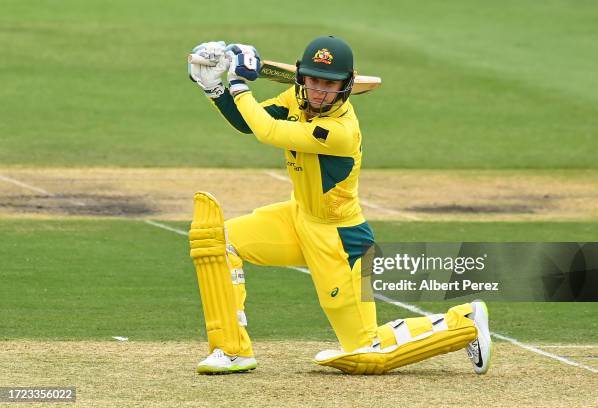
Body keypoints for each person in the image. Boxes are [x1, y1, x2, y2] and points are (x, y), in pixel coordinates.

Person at [187, 36, 491, 375]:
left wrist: (239, 81)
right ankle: (232, 351)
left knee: (364, 354)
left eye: (329, 84)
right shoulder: (296, 100)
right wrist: (214, 89)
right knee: (219, 241)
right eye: (314, 81)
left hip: (339, 240)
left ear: (346, 87)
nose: (319, 91)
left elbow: (268, 131)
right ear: (302, 78)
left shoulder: (339, 130)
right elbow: (249, 120)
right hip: (297, 216)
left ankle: (463, 322)